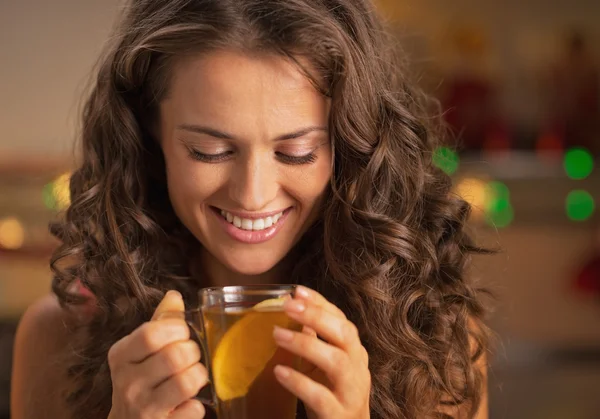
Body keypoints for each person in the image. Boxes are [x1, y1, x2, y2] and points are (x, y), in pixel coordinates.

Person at [11, 0, 490, 418]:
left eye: (297, 151)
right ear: (149, 134)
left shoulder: (435, 344)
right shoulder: (58, 338)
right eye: (209, 151)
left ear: (350, 146)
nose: (253, 195)